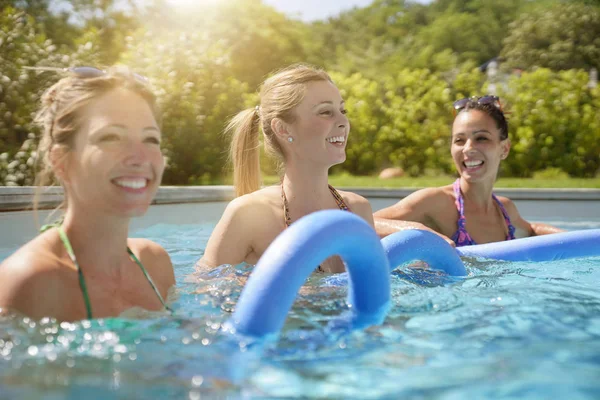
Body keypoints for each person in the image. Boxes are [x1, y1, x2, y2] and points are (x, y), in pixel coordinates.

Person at [0, 66, 175, 321]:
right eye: (111, 137)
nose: (140, 157)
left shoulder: (155, 264)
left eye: (151, 139)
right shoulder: (29, 282)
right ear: (61, 161)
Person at [198, 64, 374, 273]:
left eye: (342, 110)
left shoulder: (358, 210)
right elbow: (204, 289)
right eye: (326, 112)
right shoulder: (249, 214)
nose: (343, 121)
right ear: (282, 129)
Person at [374, 95, 564, 246]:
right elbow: (367, 222)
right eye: (459, 140)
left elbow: (532, 230)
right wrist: (419, 232)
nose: (468, 148)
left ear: (504, 148)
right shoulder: (437, 202)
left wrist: (585, 242)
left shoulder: (505, 211)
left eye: (481, 138)